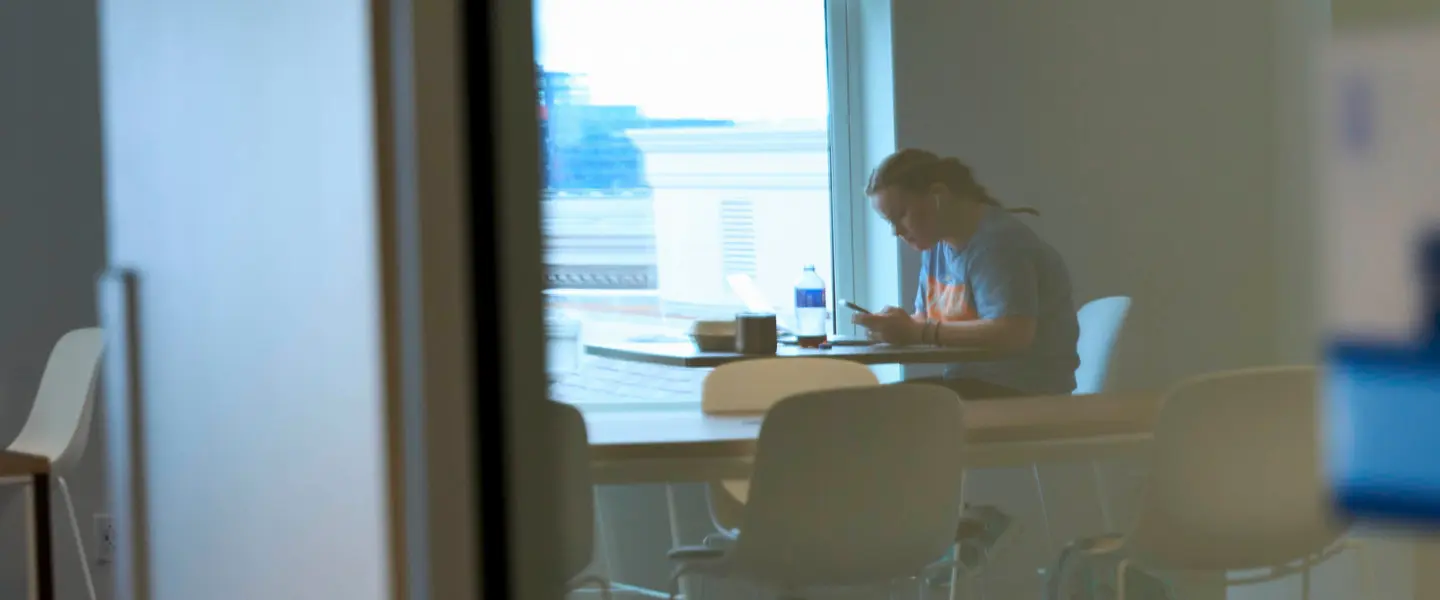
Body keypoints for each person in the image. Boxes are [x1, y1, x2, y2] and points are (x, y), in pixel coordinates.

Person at [853, 148, 1080, 399]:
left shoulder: (998, 243)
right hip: (973, 383)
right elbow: (925, 319)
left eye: (901, 215)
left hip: (1025, 391)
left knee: (876, 408)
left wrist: (917, 332)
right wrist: (894, 327)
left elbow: (1014, 333)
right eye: (889, 222)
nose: (896, 231)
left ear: (938, 196)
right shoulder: (936, 245)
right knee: (870, 404)